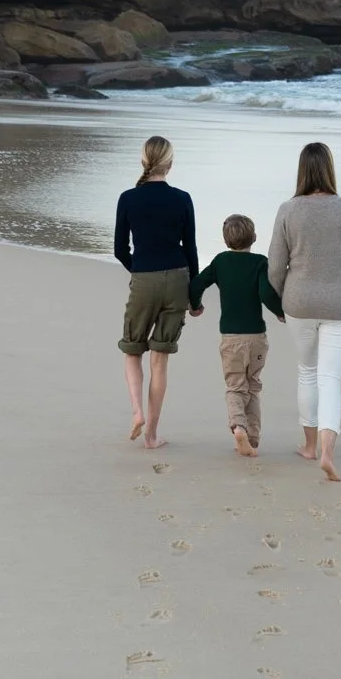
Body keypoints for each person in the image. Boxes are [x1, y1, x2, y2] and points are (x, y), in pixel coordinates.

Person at [267, 143, 341, 483]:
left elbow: (275, 266)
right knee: (330, 378)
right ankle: (328, 452)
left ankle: (309, 446)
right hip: (340, 304)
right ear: (329, 169)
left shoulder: (287, 210)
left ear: (302, 171)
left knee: (307, 371)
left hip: (299, 302)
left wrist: (282, 298)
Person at [114, 135, 198, 450]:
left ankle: (137, 412)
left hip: (144, 277)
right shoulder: (182, 198)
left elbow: (119, 248)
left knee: (133, 349)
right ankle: (151, 435)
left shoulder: (128, 198)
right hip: (177, 279)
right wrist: (195, 295)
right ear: (170, 164)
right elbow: (190, 249)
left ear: (143, 162)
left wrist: (139, 268)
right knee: (160, 360)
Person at [189, 214, 285, 458]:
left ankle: (238, 427)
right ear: (254, 237)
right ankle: (252, 438)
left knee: (235, 386)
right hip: (256, 337)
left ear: (225, 240)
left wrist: (195, 305)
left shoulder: (221, 261)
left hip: (231, 337)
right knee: (253, 386)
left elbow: (197, 284)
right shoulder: (260, 263)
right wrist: (280, 312)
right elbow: (265, 293)